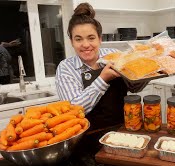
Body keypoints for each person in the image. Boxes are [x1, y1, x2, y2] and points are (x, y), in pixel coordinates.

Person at [55, 3, 148, 131]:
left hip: (124, 129)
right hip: (87, 137)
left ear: (100, 39)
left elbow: (134, 87)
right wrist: (103, 79)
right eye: (78, 39)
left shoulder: (113, 55)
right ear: (71, 42)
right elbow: (73, 110)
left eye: (91, 38)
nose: (86, 44)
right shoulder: (66, 68)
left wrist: (150, 70)